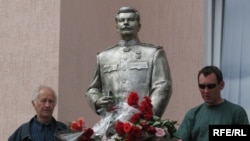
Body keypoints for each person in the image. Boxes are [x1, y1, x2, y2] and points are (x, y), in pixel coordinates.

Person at [85, 6, 172, 118]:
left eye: (130, 20)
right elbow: (93, 88)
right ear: (117, 27)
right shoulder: (104, 57)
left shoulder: (153, 53)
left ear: (139, 26)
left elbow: (163, 86)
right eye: (121, 20)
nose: (126, 23)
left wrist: (148, 118)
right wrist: (97, 101)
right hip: (111, 122)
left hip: (141, 123)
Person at [174, 66, 249, 141]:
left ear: (221, 85)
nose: (206, 91)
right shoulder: (192, 114)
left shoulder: (237, 113)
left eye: (211, 86)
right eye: (202, 86)